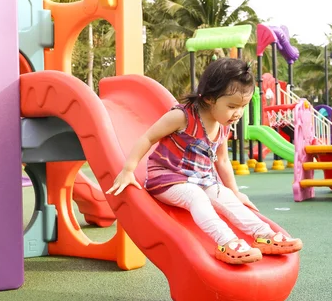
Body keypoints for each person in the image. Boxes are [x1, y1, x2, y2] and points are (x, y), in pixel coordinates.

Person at [107, 58, 302, 264]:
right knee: (196, 197)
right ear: (209, 98)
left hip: (202, 179)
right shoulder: (182, 117)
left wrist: (235, 192)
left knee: (226, 197)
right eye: (232, 106)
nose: (238, 113)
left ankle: (265, 236)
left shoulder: (224, 124)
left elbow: (223, 161)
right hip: (168, 178)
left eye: (243, 107)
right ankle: (226, 242)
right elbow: (148, 137)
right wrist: (128, 169)